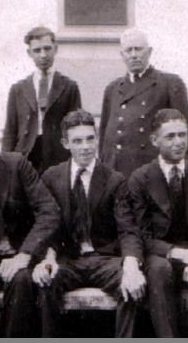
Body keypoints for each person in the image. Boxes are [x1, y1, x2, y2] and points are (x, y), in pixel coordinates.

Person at [32, 110, 146, 337]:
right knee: (45, 281)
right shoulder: (51, 178)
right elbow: (47, 226)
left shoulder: (114, 180)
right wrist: (48, 260)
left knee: (131, 283)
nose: (85, 146)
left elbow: (128, 229)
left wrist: (132, 267)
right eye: (77, 141)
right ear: (66, 143)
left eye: (90, 138)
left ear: (97, 138)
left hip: (105, 259)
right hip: (68, 260)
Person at [0, 117, 60, 337]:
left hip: (19, 256)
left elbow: (49, 211)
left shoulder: (16, 165)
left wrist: (25, 253)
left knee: (24, 279)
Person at [128, 109, 188, 337]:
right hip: (160, 253)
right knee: (159, 270)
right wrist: (180, 254)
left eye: (183, 135)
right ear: (154, 140)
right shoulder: (141, 178)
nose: (179, 142)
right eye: (170, 136)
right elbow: (140, 236)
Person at [99, 27, 188, 178]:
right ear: (122, 55)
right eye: (129, 50)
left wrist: (181, 174)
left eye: (138, 49)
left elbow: (185, 132)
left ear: (149, 52)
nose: (134, 55)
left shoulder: (169, 83)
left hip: (152, 174)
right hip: (116, 174)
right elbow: (104, 136)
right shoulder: (113, 89)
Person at [2, 26, 82, 173]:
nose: (43, 55)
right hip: (25, 155)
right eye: (37, 50)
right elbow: (10, 131)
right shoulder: (18, 89)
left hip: (57, 157)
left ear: (55, 49)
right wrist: (5, 166)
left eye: (47, 49)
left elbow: (76, 129)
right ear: (29, 53)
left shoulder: (69, 87)